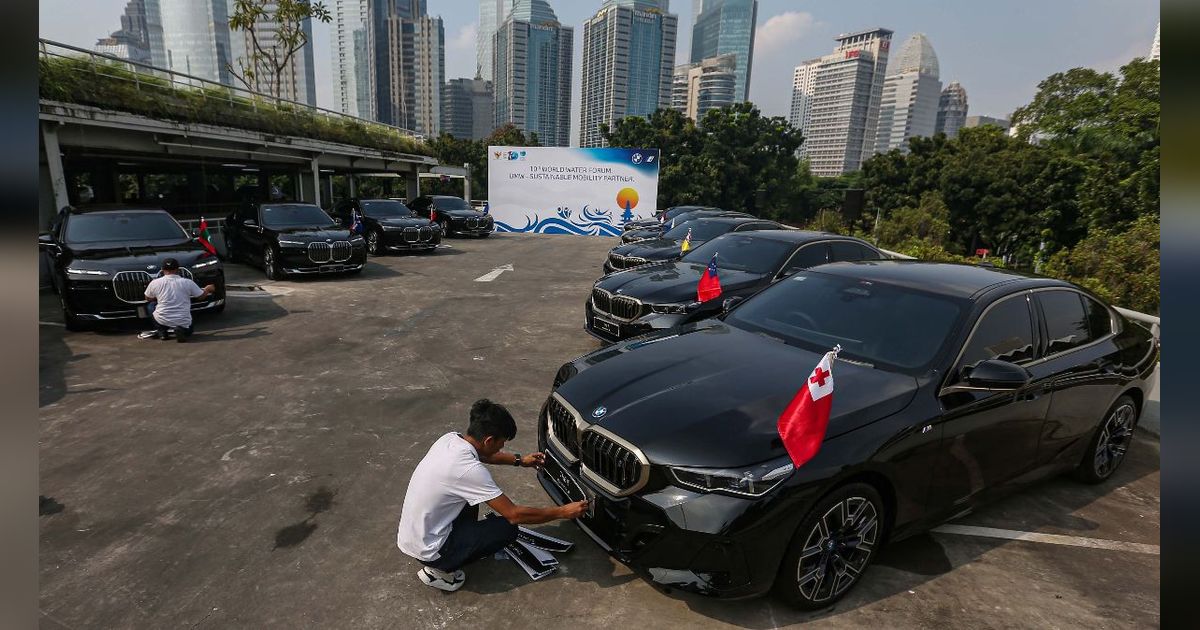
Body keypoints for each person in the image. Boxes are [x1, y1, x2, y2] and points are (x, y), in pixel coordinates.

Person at [396, 399, 589, 592]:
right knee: (507, 529)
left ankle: (456, 546)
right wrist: (562, 512)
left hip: (414, 535)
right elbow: (515, 515)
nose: (501, 448)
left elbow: (482, 454)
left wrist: (520, 460)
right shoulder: (469, 471)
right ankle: (439, 571)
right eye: (501, 443)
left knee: (469, 499)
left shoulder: (451, 440)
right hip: (432, 550)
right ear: (489, 440)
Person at [143, 258, 216, 342]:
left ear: (162, 270)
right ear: (178, 269)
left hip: (162, 318)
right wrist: (207, 289)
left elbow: (147, 298)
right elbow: (201, 296)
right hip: (183, 320)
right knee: (188, 329)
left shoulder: (155, 283)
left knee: (151, 305)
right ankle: (182, 330)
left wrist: (159, 297)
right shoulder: (187, 282)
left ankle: (162, 331)